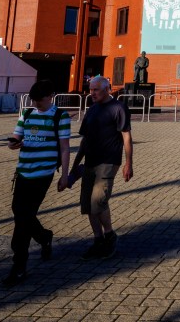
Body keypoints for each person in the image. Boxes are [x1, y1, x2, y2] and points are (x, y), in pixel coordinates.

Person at [1, 80, 71, 287]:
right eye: (34, 101)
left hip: (43, 173)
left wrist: (64, 175)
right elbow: (15, 138)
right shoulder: (28, 114)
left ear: (50, 96)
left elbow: (65, 148)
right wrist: (13, 144)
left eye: (40, 101)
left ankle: (19, 266)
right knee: (19, 211)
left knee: (23, 217)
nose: (37, 104)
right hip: (23, 171)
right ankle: (43, 236)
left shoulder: (60, 116)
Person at [72, 76, 133, 260]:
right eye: (90, 90)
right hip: (90, 162)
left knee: (98, 202)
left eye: (96, 90)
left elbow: (126, 137)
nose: (92, 93)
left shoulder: (118, 108)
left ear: (107, 89)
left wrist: (128, 163)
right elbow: (84, 140)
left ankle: (109, 235)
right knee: (88, 206)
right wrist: (75, 165)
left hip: (108, 162)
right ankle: (98, 240)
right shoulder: (91, 110)